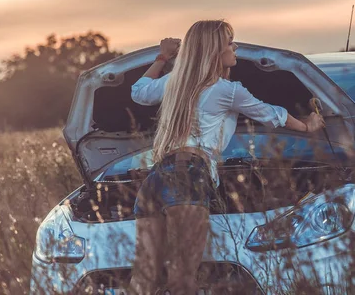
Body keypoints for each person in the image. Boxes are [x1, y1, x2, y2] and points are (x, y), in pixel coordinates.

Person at [129, 20, 325, 294]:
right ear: (214, 52)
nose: (236, 47)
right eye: (230, 42)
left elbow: (138, 92)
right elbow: (270, 114)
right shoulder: (226, 90)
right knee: (183, 279)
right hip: (189, 175)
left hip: (155, 178)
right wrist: (308, 126)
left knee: (143, 279)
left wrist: (162, 57)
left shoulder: (173, 83)